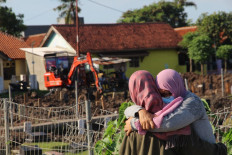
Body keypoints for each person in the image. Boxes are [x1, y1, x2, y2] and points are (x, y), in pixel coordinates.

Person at [120, 69, 227, 155]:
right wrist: (140, 111)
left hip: (206, 149)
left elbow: (169, 123)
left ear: (176, 85)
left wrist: (134, 123)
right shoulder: (167, 107)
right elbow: (130, 109)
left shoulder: (192, 102)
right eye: (161, 94)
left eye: (167, 93)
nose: (166, 97)